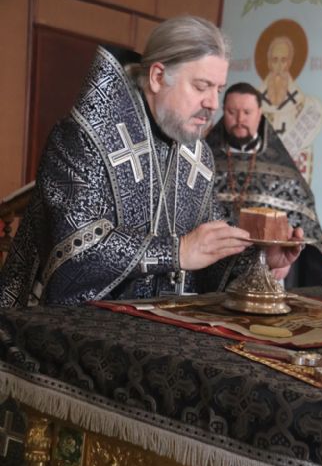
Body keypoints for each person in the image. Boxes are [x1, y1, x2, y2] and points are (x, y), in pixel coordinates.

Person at [0, 16, 302, 308]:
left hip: (166, 325)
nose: (213, 103)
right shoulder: (84, 138)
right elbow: (73, 252)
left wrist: (258, 259)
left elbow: (207, 250)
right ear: (158, 77)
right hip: (76, 329)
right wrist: (177, 251)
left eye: (218, 89)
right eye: (201, 86)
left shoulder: (196, 154)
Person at [206, 82, 322, 288]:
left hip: (269, 270)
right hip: (212, 265)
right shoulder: (205, 159)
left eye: (247, 112)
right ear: (223, 110)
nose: (240, 119)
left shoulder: (283, 168)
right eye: (232, 112)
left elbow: (304, 226)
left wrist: (289, 258)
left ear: (260, 113)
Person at [259, 35, 322, 185]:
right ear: (268, 63)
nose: (279, 67)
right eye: (275, 60)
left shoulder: (303, 104)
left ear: (289, 63)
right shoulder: (254, 103)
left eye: (283, 60)